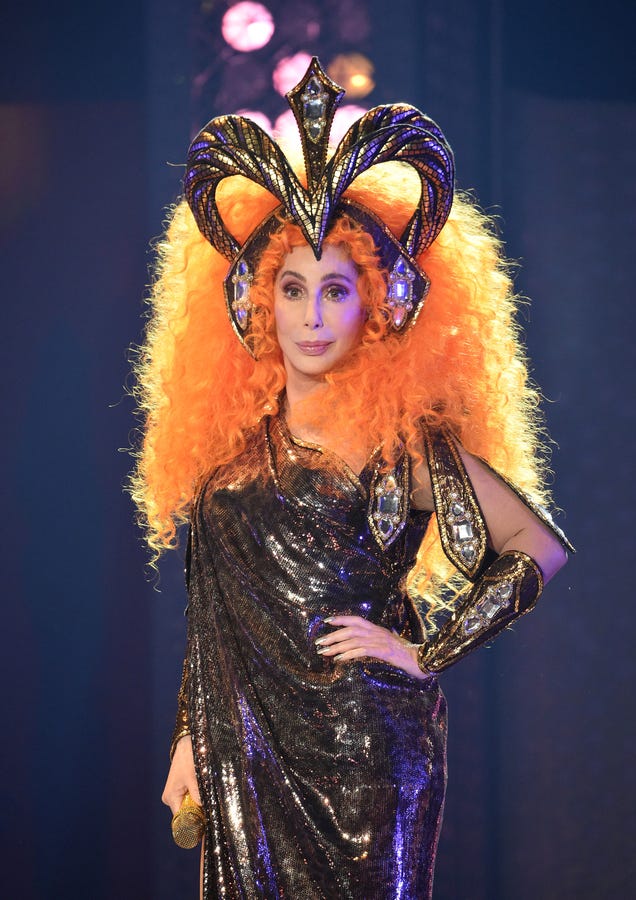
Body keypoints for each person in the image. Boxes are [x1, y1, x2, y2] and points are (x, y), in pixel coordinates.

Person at [130, 59, 572, 899]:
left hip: (363, 748)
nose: (312, 315)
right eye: (293, 289)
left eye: (336, 290)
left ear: (374, 302)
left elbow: (537, 547)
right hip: (244, 748)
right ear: (259, 302)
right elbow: (212, 614)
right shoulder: (230, 449)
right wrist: (190, 737)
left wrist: (423, 650)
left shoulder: (399, 445)